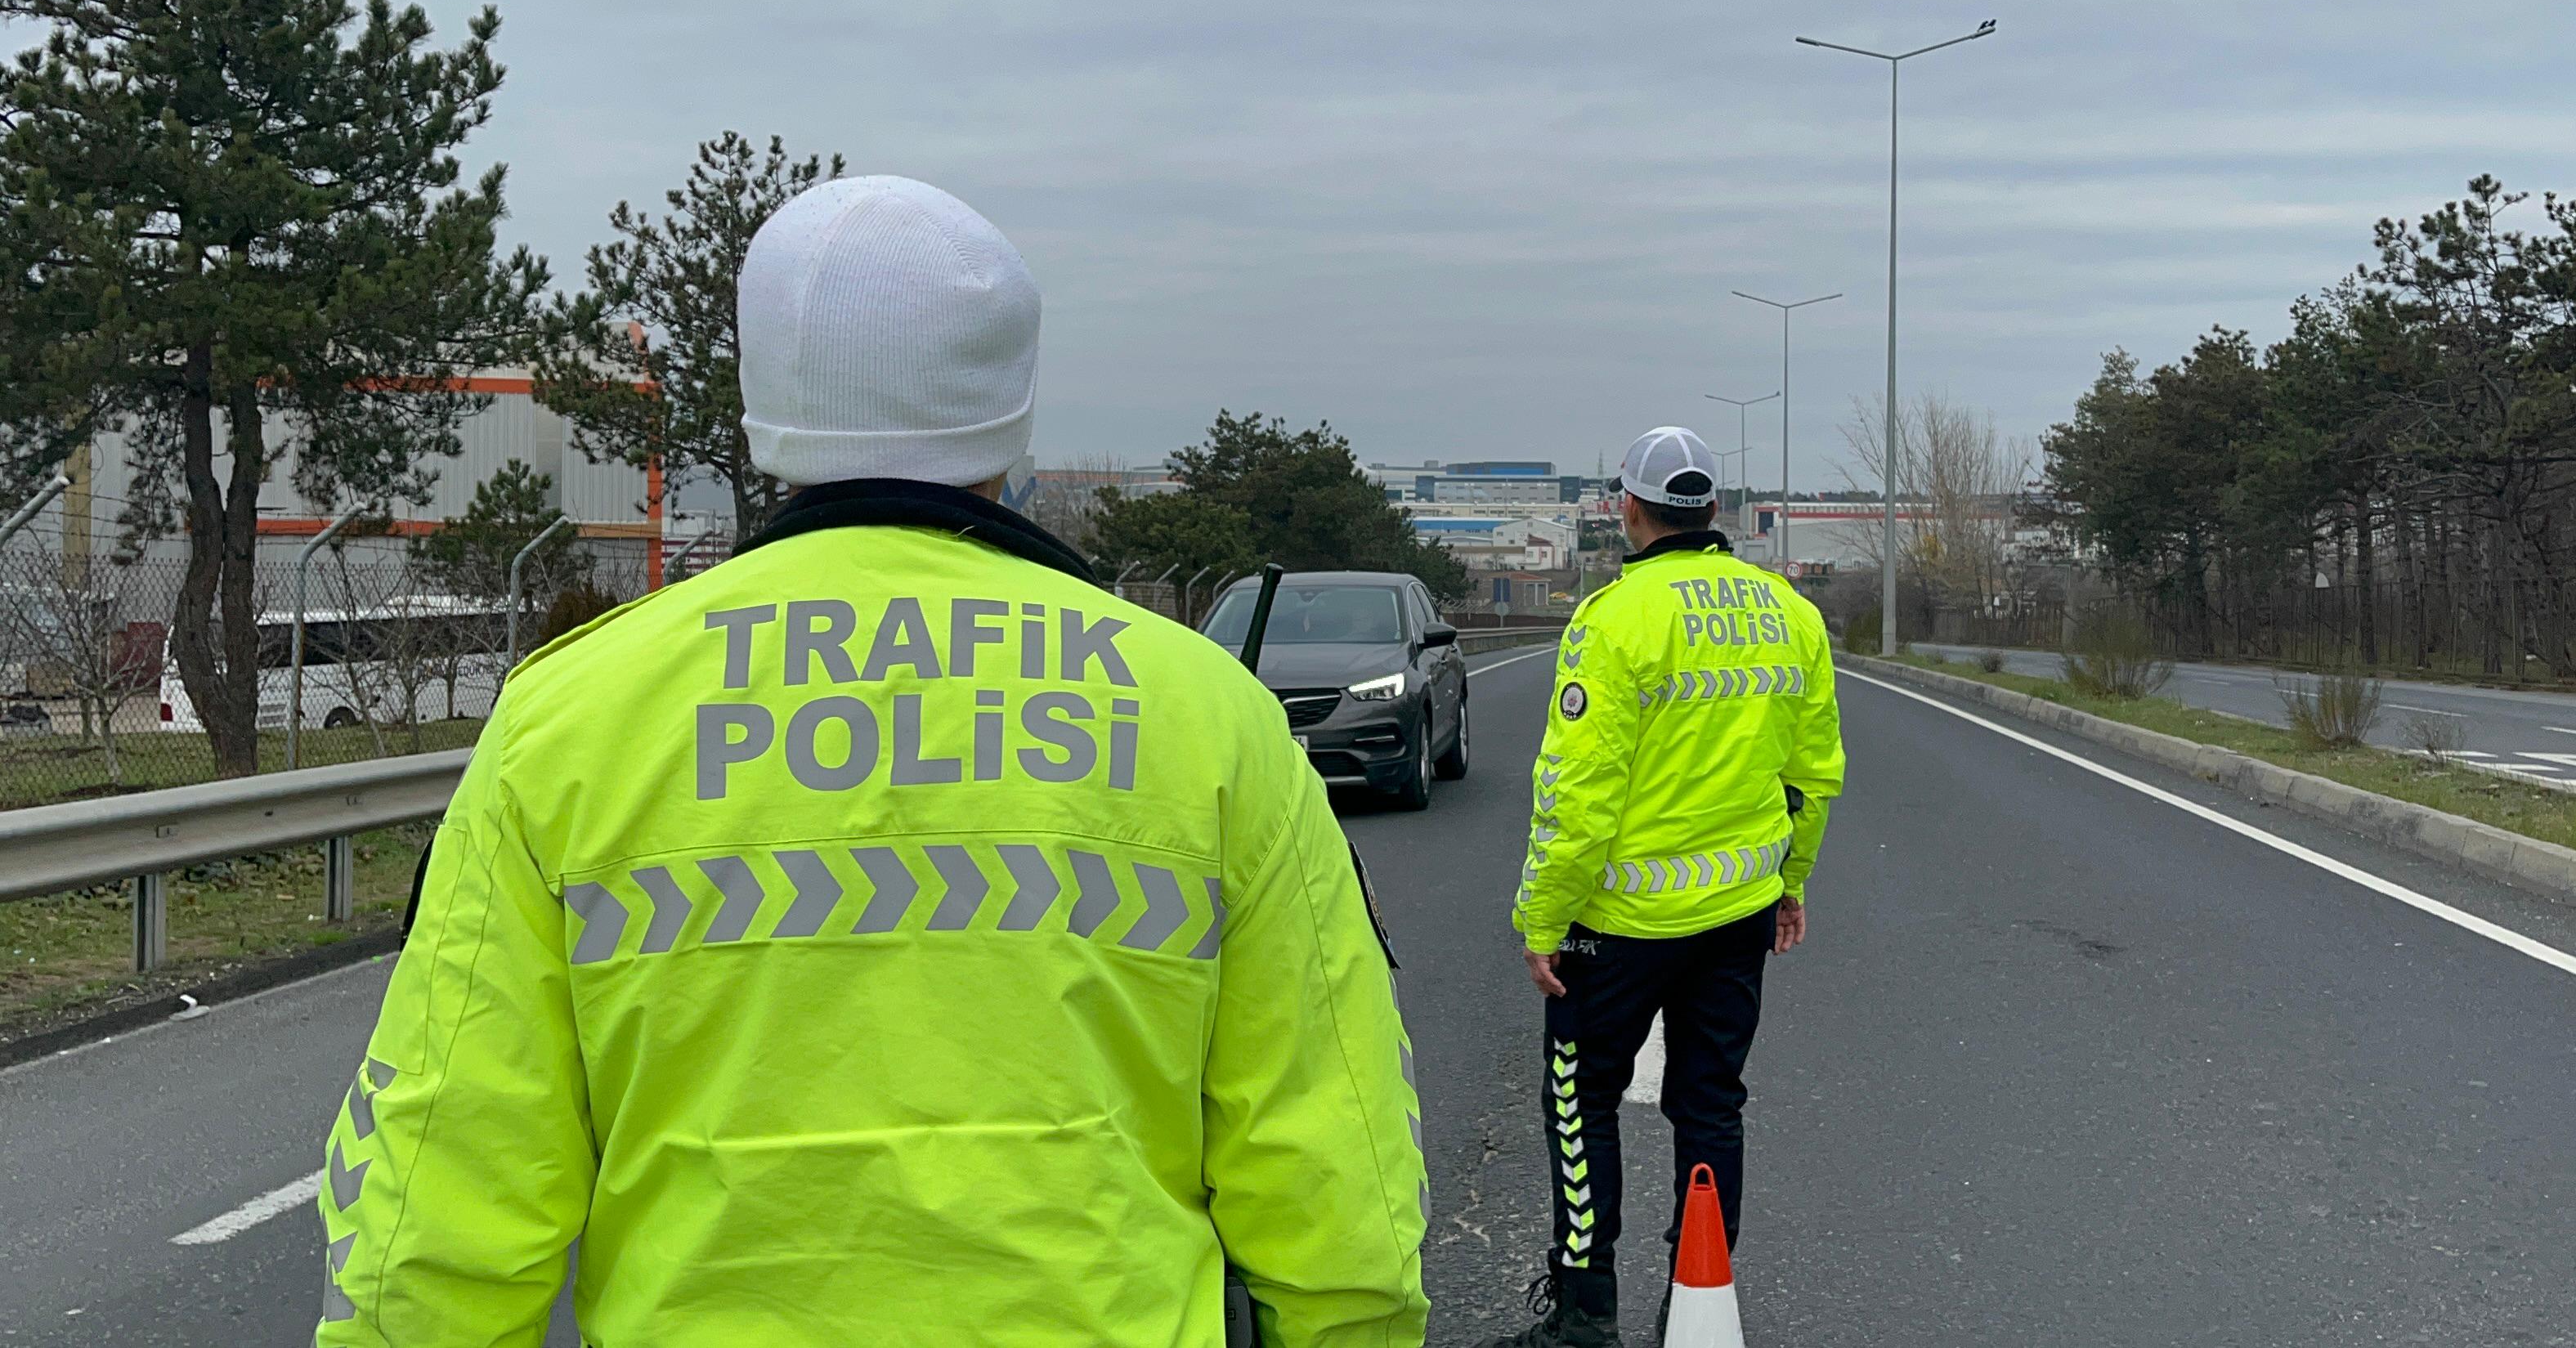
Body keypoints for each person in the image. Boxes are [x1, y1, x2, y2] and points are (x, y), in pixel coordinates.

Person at [315, 176, 1428, 1346]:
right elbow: (1337, 1180)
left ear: (764, 405)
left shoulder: (570, 717)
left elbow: (435, 1229)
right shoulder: (1210, 717)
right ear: (1014, 413)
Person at [1481, 425, 1845, 1348]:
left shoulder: (1614, 618)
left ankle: (1582, 1311)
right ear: (1714, 510)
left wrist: (1544, 917)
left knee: (1578, 1100)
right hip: (1736, 914)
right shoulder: (1788, 613)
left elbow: (1577, 793)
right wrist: (1788, 882)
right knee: (1712, 1103)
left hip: (1618, 925)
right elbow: (1813, 773)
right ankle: (1696, 1306)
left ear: (1626, 509)